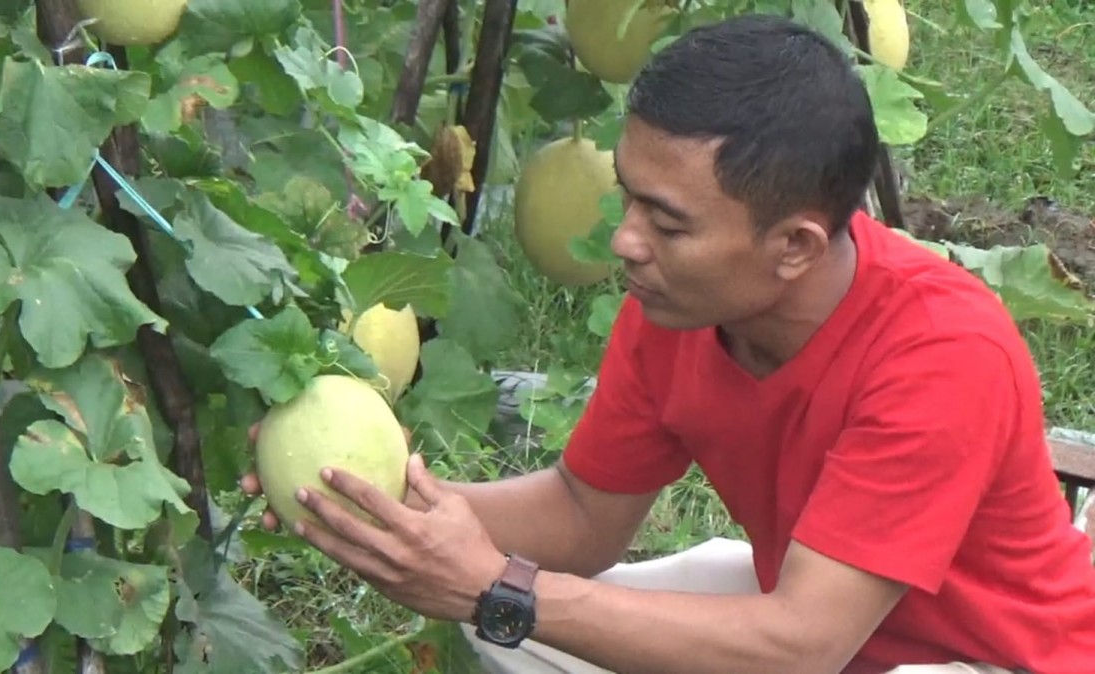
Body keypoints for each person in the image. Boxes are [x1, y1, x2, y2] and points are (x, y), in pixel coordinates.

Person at [239, 14, 1095, 674]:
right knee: (516, 633)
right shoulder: (679, 305)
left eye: (667, 221)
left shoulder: (942, 354)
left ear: (793, 244)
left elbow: (802, 646)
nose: (625, 241)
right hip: (817, 617)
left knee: (517, 607)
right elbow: (581, 514)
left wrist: (500, 589)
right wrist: (375, 500)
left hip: (992, 658)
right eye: (630, 197)